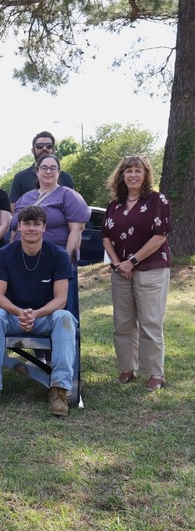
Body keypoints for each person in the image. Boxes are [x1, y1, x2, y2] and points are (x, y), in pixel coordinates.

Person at [0, 206, 77, 416]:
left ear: (44, 228)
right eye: (27, 224)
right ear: (19, 227)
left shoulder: (58, 255)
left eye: (36, 224)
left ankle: (59, 390)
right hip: (12, 316)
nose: (31, 228)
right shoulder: (5, 253)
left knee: (66, 318)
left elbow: (61, 299)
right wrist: (19, 312)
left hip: (45, 316)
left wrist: (36, 314)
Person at [102, 155, 172, 390]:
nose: (133, 174)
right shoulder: (115, 203)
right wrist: (117, 264)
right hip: (120, 271)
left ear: (145, 175)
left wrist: (131, 261)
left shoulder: (156, 200)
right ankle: (126, 369)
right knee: (123, 322)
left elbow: (160, 235)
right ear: (121, 175)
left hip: (150, 268)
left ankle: (155, 373)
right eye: (128, 170)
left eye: (137, 170)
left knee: (150, 321)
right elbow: (105, 237)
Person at [10, 153, 90, 262]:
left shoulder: (69, 195)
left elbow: (76, 230)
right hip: (21, 258)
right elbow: (14, 231)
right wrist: (10, 257)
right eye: (44, 168)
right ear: (37, 171)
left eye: (53, 168)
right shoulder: (25, 197)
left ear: (59, 172)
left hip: (53, 259)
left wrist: (65, 262)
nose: (48, 171)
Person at [9, 131, 76, 212]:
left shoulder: (66, 178)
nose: (44, 148)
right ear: (33, 150)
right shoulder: (20, 177)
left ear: (53, 150)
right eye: (39, 146)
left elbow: (72, 209)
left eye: (49, 146)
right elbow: (13, 209)